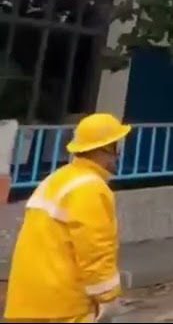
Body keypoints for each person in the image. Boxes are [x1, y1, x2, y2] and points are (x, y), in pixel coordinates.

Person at [5, 113, 131, 323]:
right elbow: (95, 249)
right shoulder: (91, 187)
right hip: (64, 305)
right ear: (108, 148)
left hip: (27, 302)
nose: (118, 155)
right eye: (117, 147)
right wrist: (108, 296)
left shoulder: (56, 179)